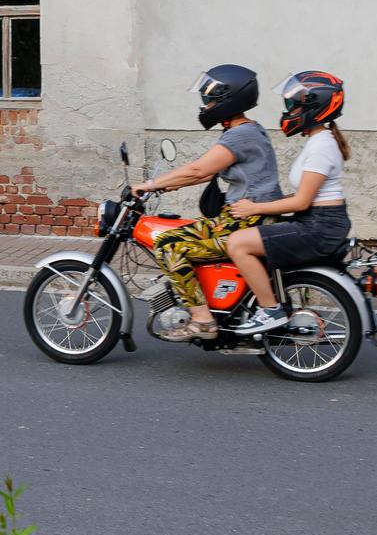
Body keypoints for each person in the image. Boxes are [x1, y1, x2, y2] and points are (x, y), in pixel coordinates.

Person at [131, 64, 284, 340]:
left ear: (229, 99)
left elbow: (198, 170)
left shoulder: (240, 135)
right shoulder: (249, 130)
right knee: (181, 233)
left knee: (168, 246)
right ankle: (210, 302)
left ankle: (202, 320)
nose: (207, 105)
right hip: (241, 217)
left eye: (210, 98)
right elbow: (205, 172)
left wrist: (149, 185)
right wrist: (168, 186)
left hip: (244, 220)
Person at [223, 71, 353, 335]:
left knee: (238, 243)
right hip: (318, 222)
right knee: (252, 236)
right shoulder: (319, 141)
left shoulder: (321, 146)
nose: (290, 109)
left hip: (319, 228)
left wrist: (254, 208)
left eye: (295, 103)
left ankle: (270, 310)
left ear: (314, 106)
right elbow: (305, 198)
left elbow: (303, 201)